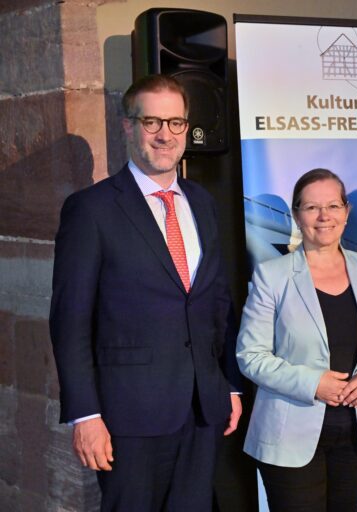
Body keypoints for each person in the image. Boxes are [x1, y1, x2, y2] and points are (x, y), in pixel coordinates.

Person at [49, 74, 242, 511]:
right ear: (128, 126)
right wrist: (86, 415)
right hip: (128, 419)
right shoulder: (92, 209)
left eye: (175, 123)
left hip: (202, 409)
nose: (165, 134)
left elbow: (216, 303)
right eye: (152, 121)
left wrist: (228, 384)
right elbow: (70, 321)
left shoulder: (202, 202)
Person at [236, 168, 357, 511]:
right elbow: (250, 355)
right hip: (289, 437)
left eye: (332, 206)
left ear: (346, 212)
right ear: (297, 215)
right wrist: (314, 384)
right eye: (312, 208)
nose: (323, 216)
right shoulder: (272, 275)